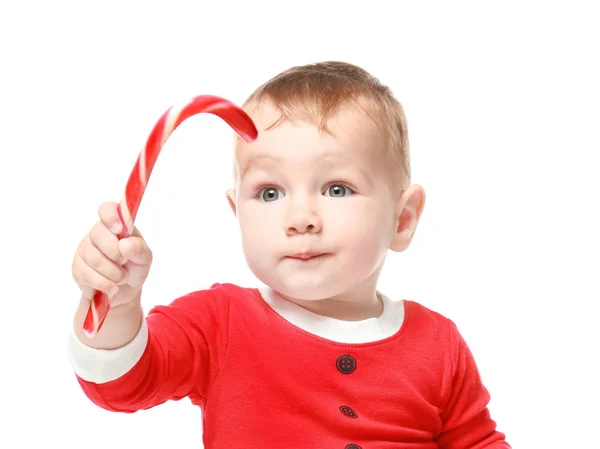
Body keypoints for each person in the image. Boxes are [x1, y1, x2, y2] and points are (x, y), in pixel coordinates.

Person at [67, 61, 510, 448]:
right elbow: (120, 384)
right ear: (237, 212)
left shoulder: (438, 343)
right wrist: (117, 306)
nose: (300, 217)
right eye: (270, 192)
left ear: (402, 219)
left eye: (337, 188)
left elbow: (477, 442)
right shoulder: (219, 323)